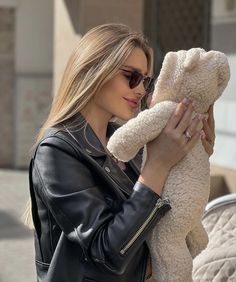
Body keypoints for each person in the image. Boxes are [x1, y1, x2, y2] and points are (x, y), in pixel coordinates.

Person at [26, 23, 215, 282]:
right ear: (95, 71)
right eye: (131, 76)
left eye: (146, 81)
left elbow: (159, 225)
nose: (140, 90)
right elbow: (108, 252)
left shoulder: (125, 142)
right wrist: (157, 166)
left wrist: (194, 153)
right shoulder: (57, 150)